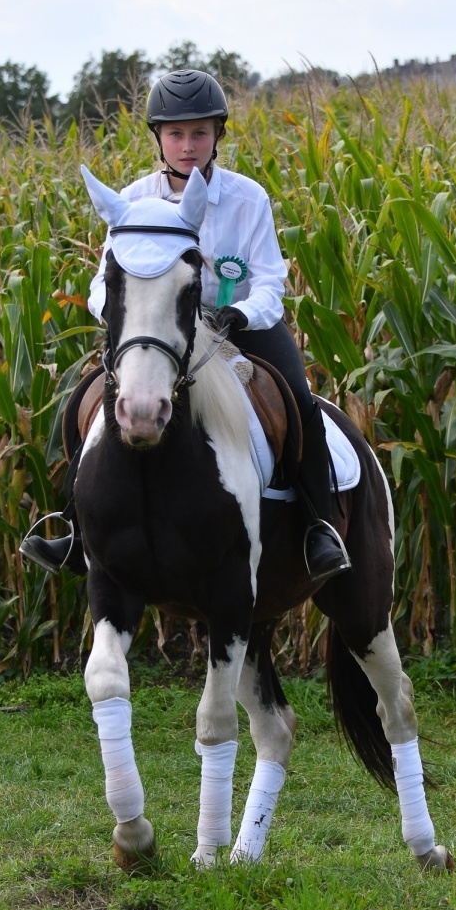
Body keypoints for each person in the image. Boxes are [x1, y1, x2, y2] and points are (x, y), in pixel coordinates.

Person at [22, 69, 350, 583]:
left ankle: (318, 527)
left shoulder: (248, 199)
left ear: (218, 134)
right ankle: (74, 528)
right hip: (157, 333)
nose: (188, 145)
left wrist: (241, 312)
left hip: (240, 328)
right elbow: (101, 282)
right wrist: (117, 313)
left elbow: (269, 281)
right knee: (83, 400)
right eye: (176, 134)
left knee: (301, 401)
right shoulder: (132, 200)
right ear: (159, 138)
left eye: (199, 133)